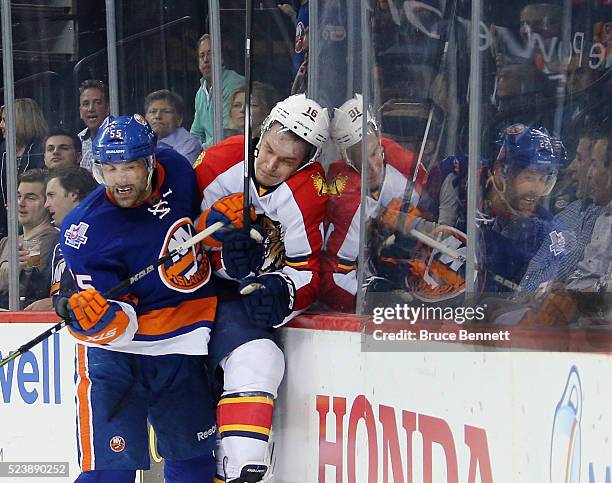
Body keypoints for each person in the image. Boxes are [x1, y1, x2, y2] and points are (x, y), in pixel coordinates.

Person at [57, 115, 218, 482]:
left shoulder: (177, 169)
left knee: (195, 464)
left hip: (183, 345)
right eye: (110, 168)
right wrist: (97, 319)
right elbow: (119, 324)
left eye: (129, 166)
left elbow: (201, 225)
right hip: (118, 358)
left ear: (150, 162)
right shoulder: (85, 230)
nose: (120, 179)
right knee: (112, 471)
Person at [194, 93, 329, 482]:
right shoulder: (220, 163)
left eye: (286, 160)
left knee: (258, 360)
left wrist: (279, 291)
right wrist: (215, 249)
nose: (270, 166)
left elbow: (307, 271)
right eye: (268, 150)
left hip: (237, 304)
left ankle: (238, 472)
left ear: (306, 161)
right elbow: (169, 235)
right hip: (189, 298)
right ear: (262, 131)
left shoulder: (309, 190)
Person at [321, 94, 416, 312]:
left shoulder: (408, 166)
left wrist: (422, 221)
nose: (373, 168)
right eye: (360, 162)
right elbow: (331, 279)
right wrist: (375, 298)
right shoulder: (344, 198)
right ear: (345, 158)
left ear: (380, 139)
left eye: (374, 153)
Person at [479, 124, 563, 293]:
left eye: (542, 179)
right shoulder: (471, 194)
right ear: (502, 175)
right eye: (529, 177)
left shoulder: (546, 231)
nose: (536, 189)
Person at [23, 166, 98, 311]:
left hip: (82, 323)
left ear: (74, 195)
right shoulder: (59, 240)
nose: (46, 204)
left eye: (51, 195)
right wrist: (23, 270)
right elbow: (37, 288)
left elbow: (103, 291)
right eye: (19, 196)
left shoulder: (99, 235)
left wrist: (56, 303)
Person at [0, 169, 58, 309]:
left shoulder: (49, 240)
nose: (21, 203)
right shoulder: (6, 242)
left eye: (31, 197)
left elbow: (26, 284)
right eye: (18, 196)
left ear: (46, 202)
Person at [0, 98, 48, 239]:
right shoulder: (3, 151)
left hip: (36, 228)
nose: (1, 125)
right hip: (7, 230)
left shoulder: (42, 149)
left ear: (21, 121)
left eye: (4, 120)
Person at [190, 34, 245, 148]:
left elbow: (228, 131)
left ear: (222, 57)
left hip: (232, 148)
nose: (206, 60)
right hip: (210, 152)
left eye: (211, 54)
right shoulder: (201, 93)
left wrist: (200, 151)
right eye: (202, 55)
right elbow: (196, 133)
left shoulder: (234, 83)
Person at [144, 89, 202, 165]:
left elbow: (178, 173)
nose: (157, 116)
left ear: (179, 119)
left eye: (166, 111)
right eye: (153, 111)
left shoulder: (189, 144)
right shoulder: (140, 139)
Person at [78, 79, 110, 172]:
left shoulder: (118, 138)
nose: (91, 109)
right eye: (86, 104)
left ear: (107, 109)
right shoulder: (77, 141)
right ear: (80, 112)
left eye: (97, 102)